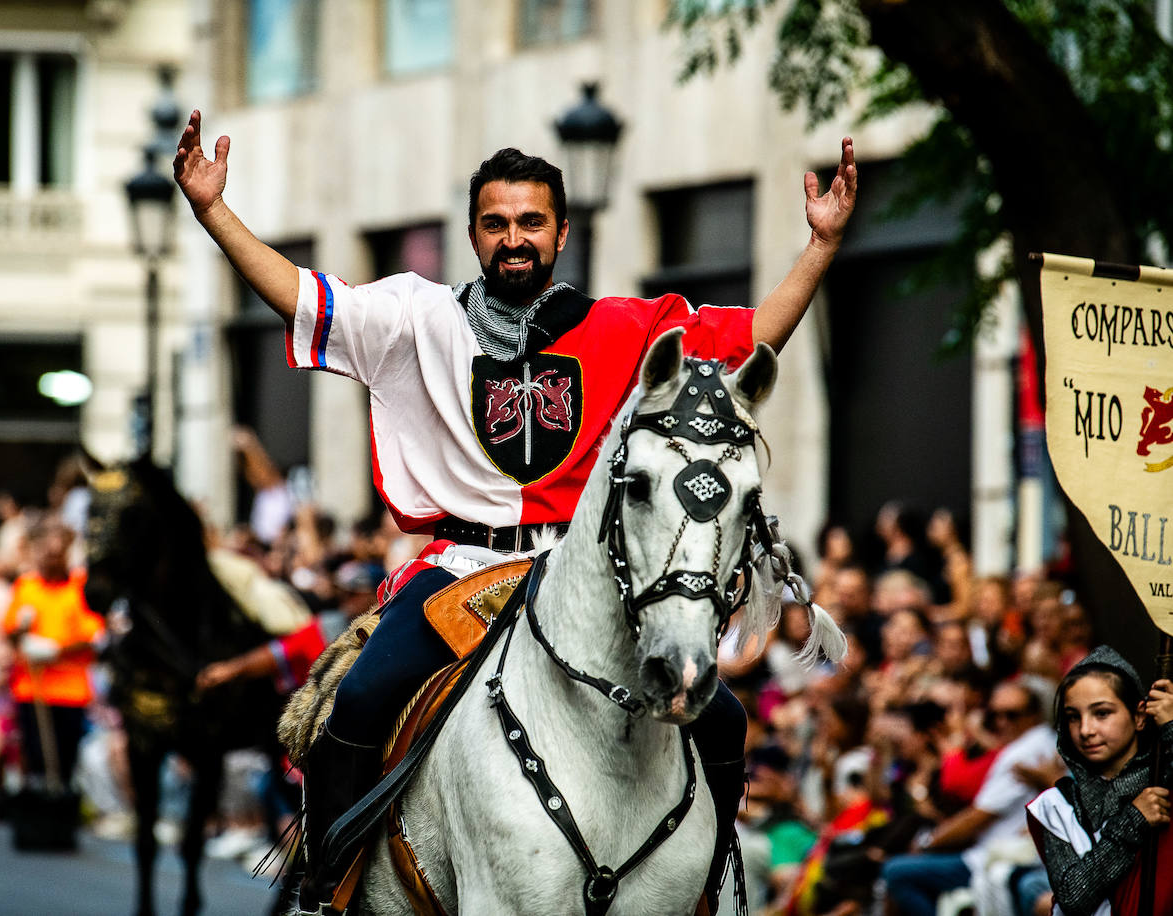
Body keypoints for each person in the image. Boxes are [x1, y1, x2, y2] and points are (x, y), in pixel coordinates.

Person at [173, 108, 858, 907]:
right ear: (473, 234)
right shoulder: (414, 319)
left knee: (724, 720)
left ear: (561, 232)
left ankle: (715, 882)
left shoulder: (626, 327)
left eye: (531, 221)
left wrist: (821, 248)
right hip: (459, 569)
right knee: (356, 702)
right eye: (495, 223)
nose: (514, 237)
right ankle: (329, 886)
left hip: (585, 566)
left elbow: (750, 345)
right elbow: (300, 296)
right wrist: (215, 212)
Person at [880, 680, 1055, 916]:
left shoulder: (1027, 749)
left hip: (994, 856)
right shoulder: (1019, 745)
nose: (1001, 722)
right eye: (994, 715)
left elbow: (971, 805)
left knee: (895, 871)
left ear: (1034, 715)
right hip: (984, 848)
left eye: (1011, 715)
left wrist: (928, 842)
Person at [1026, 646, 1173, 916]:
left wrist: (1172, 729)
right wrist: (1134, 820)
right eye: (1073, 717)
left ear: (1139, 716)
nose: (1086, 730)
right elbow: (1073, 897)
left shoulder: (1165, 781)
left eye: (1102, 713)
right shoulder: (1057, 806)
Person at [1, 522, 104, 791]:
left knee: (64, 758)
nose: (50, 558)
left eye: (57, 553)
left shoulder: (80, 587)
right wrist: (21, 634)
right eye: (45, 552)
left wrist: (54, 651)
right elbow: (10, 631)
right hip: (32, 687)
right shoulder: (26, 586)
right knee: (34, 756)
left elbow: (93, 636)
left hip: (69, 689)